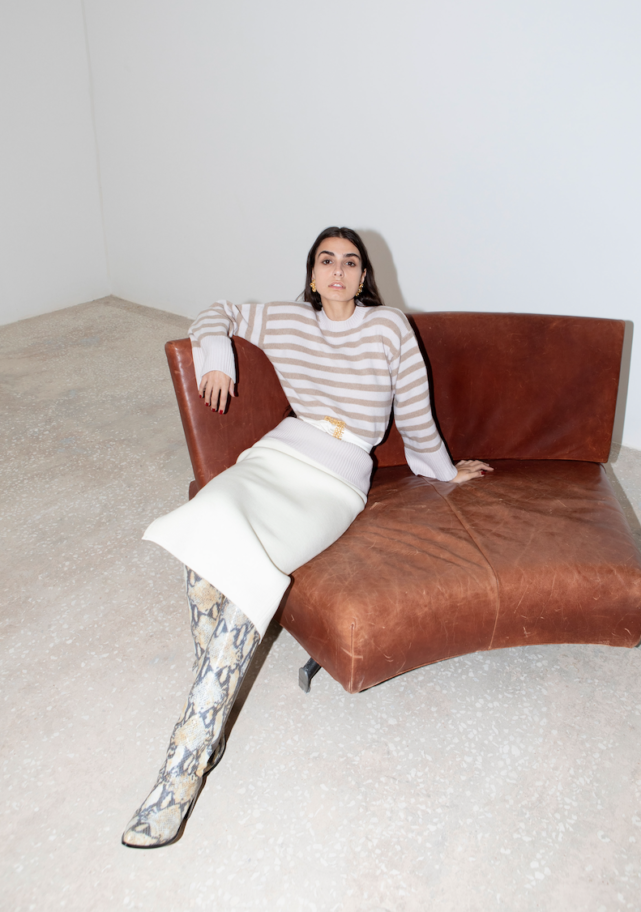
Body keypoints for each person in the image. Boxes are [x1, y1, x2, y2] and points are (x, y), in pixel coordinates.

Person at [121, 227, 492, 849]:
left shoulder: (388, 328)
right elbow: (216, 311)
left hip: (334, 480)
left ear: (364, 276)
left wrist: (444, 470)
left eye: (350, 262)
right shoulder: (288, 320)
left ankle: (184, 761)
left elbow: (415, 414)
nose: (338, 271)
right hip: (275, 455)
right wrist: (217, 356)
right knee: (205, 524)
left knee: (247, 580)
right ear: (313, 276)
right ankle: (212, 694)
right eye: (327, 261)